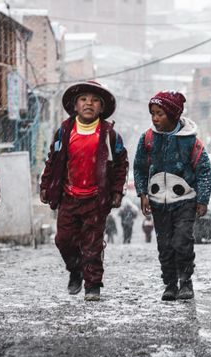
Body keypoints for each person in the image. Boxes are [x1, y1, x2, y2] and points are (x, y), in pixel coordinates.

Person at [40, 80, 129, 301]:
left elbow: (121, 164)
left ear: (102, 107)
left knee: (93, 244)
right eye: (83, 99)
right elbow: (53, 161)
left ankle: (93, 285)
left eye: (95, 100)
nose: (89, 103)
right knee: (63, 240)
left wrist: (117, 190)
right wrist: (46, 186)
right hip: (69, 198)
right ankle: (76, 269)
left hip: (96, 200)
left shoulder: (109, 134)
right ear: (75, 105)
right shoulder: (64, 131)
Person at [133, 91, 211, 301]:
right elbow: (140, 167)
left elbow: (203, 171)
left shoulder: (192, 142)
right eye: (152, 113)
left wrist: (202, 200)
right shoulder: (148, 139)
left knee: (182, 241)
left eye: (160, 113)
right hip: (159, 203)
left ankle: (185, 281)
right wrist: (143, 193)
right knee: (165, 245)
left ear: (173, 115)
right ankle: (170, 284)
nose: (155, 118)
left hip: (185, 201)